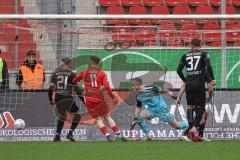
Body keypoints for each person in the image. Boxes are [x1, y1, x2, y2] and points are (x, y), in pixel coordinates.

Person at [72, 56, 126, 141]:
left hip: (89, 99)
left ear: (91, 62)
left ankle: (107, 135)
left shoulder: (84, 72)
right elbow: (107, 87)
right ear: (98, 63)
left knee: (97, 119)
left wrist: (78, 81)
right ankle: (118, 134)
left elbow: (74, 80)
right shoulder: (102, 73)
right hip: (99, 98)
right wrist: (113, 97)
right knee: (107, 116)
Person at [176, 39, 216, 142]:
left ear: (191, 45)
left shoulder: (185, 55)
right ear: (200, 45)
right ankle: (193, 129)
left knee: (190, 107)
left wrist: (186, 81)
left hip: (189, 84)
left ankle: (189, 133)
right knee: (202, 109)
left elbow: (178, 71)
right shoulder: (204, 55)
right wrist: (212, 78)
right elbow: (209, 66)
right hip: (199, 85)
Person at [49, 57, 85, 142]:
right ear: (68, 64)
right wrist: (84, 100)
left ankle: (57, 136)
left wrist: (50, 99)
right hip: (68, 98)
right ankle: (70, 133)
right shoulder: (71, 74)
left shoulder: (55, 74)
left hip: (58, 98)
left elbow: (50, 89)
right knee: (78, 113)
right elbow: (77, 90)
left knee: (62, 116)